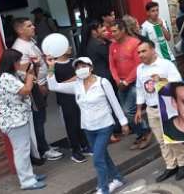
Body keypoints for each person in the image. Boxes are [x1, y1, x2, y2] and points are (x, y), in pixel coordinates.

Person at [47, 56, 130, 194]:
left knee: (97, 158)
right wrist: (50, 67)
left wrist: (124, 123)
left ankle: (103, 188)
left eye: (83, 66)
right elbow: (54, 86)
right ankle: (117, 178)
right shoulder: (76, 85)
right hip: (88, 127)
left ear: (91, 68)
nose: (81, 69)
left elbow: (114, 103)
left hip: (105, 125)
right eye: (78, 68)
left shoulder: (102, 83)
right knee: (103, 155)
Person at [135, 40, 184, 182]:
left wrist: (162, 79)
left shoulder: (165, 64)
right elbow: (140, 89)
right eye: (139, 52)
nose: (140, 55)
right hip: (151, 108)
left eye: (143, 51)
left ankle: (183, 163)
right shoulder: (140, 69)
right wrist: (139, 109)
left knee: (172, 137)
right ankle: (171, 165)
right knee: (161, 140)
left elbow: (178, 81)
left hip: (166, 105)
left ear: (153, 50)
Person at [0, 49, 47, 190]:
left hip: (18, 118)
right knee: (21, 151)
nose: (19, 63)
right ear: (11, 62)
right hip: (13, 121)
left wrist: (33, 68)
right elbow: (25, 90)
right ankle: (27, 182)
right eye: (17, 61)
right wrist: (29, 79)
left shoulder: (11, 75)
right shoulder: (5, 78)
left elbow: (28, 76)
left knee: (24, 148)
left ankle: (29, 176)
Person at [11, 18, 62, 162]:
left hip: (41, 83)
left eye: (32, 24)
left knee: (41, 117)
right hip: (35, 88)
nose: (33, 27)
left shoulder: (31, 42)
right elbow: (24, 72)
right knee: (38, 119)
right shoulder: (20, 48)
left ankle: (44, 144)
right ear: (20, 30)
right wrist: (39, 84)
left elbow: (37, 63)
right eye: (29, 26)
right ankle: (44, 150)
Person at [108, 20, 152, 149]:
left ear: (122, 30)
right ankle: (140, 134)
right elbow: (112, 65)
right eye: (111, 31)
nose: (112, 34)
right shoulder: (112, 46)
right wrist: (117, 80)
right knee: (125, 112)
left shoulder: (134, 43)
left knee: (128, 111)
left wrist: (127, 81)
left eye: (115, 31)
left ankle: (146, 130)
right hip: (121, 83)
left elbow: (138, 64)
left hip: (134, 83)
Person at [50, 47, 90, 163]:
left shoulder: (74, 62)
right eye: (67, 46)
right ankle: (75, 151)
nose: (70, 48)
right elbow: (53, 83)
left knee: (81, 121)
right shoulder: (54, 65)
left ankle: (85, 145)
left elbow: (82, 75)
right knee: (71, 125)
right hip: (65, 100)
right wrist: (72, 80)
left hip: (79, 96)